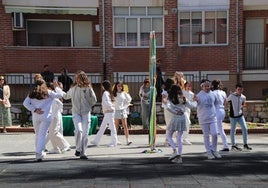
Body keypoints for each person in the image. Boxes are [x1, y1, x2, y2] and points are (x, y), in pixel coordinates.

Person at [23, 79, 64, 162]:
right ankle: (39, 153)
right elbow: (60, 95)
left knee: (38, 134)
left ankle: (39, 151)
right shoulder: (48, 92)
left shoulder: (32, 93)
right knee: (42, 134)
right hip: (46, 116)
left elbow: (25, 103)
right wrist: (56, 87)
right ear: (44, 84)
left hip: (36, 116)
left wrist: (34, 109)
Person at [63, 70, 97, 159]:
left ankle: (83, 152)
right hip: (76, 112)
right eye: (76, 78)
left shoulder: (88, 88)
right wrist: (58, 90)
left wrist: (88, 106)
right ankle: (78, 149)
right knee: (78, 130)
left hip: (86, 112)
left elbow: (94, 100)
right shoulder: (73, 88)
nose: (76, 80)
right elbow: (66, 96)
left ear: (82, 78)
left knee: (85, 132)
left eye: (78, 78)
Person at [165, 85, 195, 163]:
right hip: (183, 117)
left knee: (169, 135)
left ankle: (175, 151)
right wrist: (195, 101)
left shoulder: (171, 98)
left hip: (175, 117)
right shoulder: (183, 98)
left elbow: (167, 107)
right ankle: (179, 157)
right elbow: (192, 106)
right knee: (179, 137)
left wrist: (175, 112)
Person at [195, 79, 221, 160]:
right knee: (206, 135)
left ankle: (214, 149)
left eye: (208, 86)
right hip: (203, 118)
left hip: (213, 118)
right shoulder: (198, 96)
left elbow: (216, 104)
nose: (207, 87)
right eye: (205, 86)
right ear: (202, 86)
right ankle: (208, 152)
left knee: (215, 134)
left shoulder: (213, 94)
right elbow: (194, 105)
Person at [91, 80, 119, 147]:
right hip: (108, 112)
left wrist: (110, 108)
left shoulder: (105, 93)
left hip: (109, 112)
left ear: (104, 86)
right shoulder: (109, 93)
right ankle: (96, 140)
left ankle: (114, 142)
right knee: (103, 127)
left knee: (112, 127)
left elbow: (107, 103)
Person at [46, 82, 71, 154]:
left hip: (55, 116)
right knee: (51, 133)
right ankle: (55, 148)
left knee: (54, 132)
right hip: (52, 116)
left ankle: (65, 145)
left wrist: (58, 110)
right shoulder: (49, 96)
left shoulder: (53, 96)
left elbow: (60, 104)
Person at [227, 83, 252, 151]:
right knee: (233, 130)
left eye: (241, 89)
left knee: (244, 128)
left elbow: (244, 104)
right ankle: (233, 145)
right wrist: (228, 108)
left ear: (242, 89)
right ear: (236, 89)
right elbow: (226, 101)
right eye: (238, 89)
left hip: (240, 116)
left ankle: (245, 144)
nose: (239, 91)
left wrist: (242, 106)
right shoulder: (232, 96)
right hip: (233, 116)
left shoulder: (243, 97)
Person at [211, 80, 229, 151]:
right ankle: (224, 145)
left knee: (216, 130)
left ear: (213, 85)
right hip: (222, 110)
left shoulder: (212, 93)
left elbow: (212, 103)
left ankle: (224, 145)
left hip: (216, 111)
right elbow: (226, 103)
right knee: (219, 128)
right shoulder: (223, 92)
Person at [112, 81, 132, 145]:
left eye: (121, 86)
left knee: (125, 125)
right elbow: (111, 102)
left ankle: (127, 140)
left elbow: (129, 99)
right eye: (118, 86)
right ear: (116, 87)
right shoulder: (113, 93)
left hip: (123, 110)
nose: (120, 87)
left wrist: (126, 106)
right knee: (116, 126)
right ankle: (115, 140)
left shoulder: (124, 93)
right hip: (116, 110)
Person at [161, 78, 175, 146]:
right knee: (169, 124)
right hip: (168, 109)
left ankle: (169, 139)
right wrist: (168, 104)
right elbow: (163, 99)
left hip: (170, 108)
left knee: (171, 124)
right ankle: (167, 139)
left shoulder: (171, 91)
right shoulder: (165, 91)